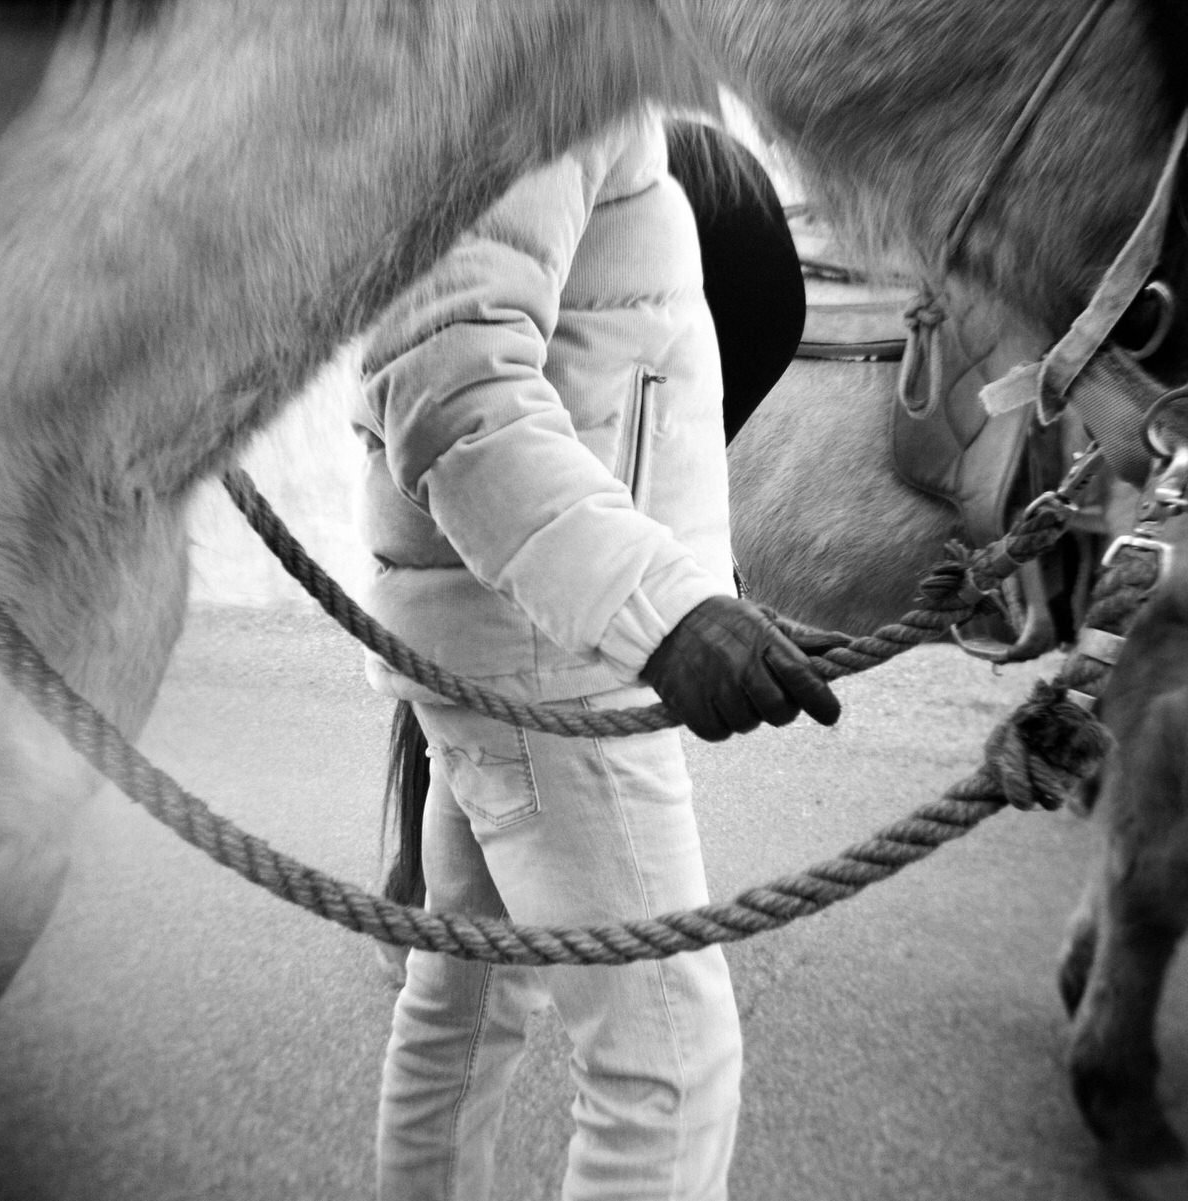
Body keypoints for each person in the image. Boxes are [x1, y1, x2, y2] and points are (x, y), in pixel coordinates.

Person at [349, 108, 840, 1201]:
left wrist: (703, 591)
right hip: (551, 648)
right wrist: (661, 611)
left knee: (466, 1001)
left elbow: (607, 391)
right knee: (666, 1064)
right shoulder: (552, 64)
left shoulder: (563, 72)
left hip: (519, 638)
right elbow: (452, 387)